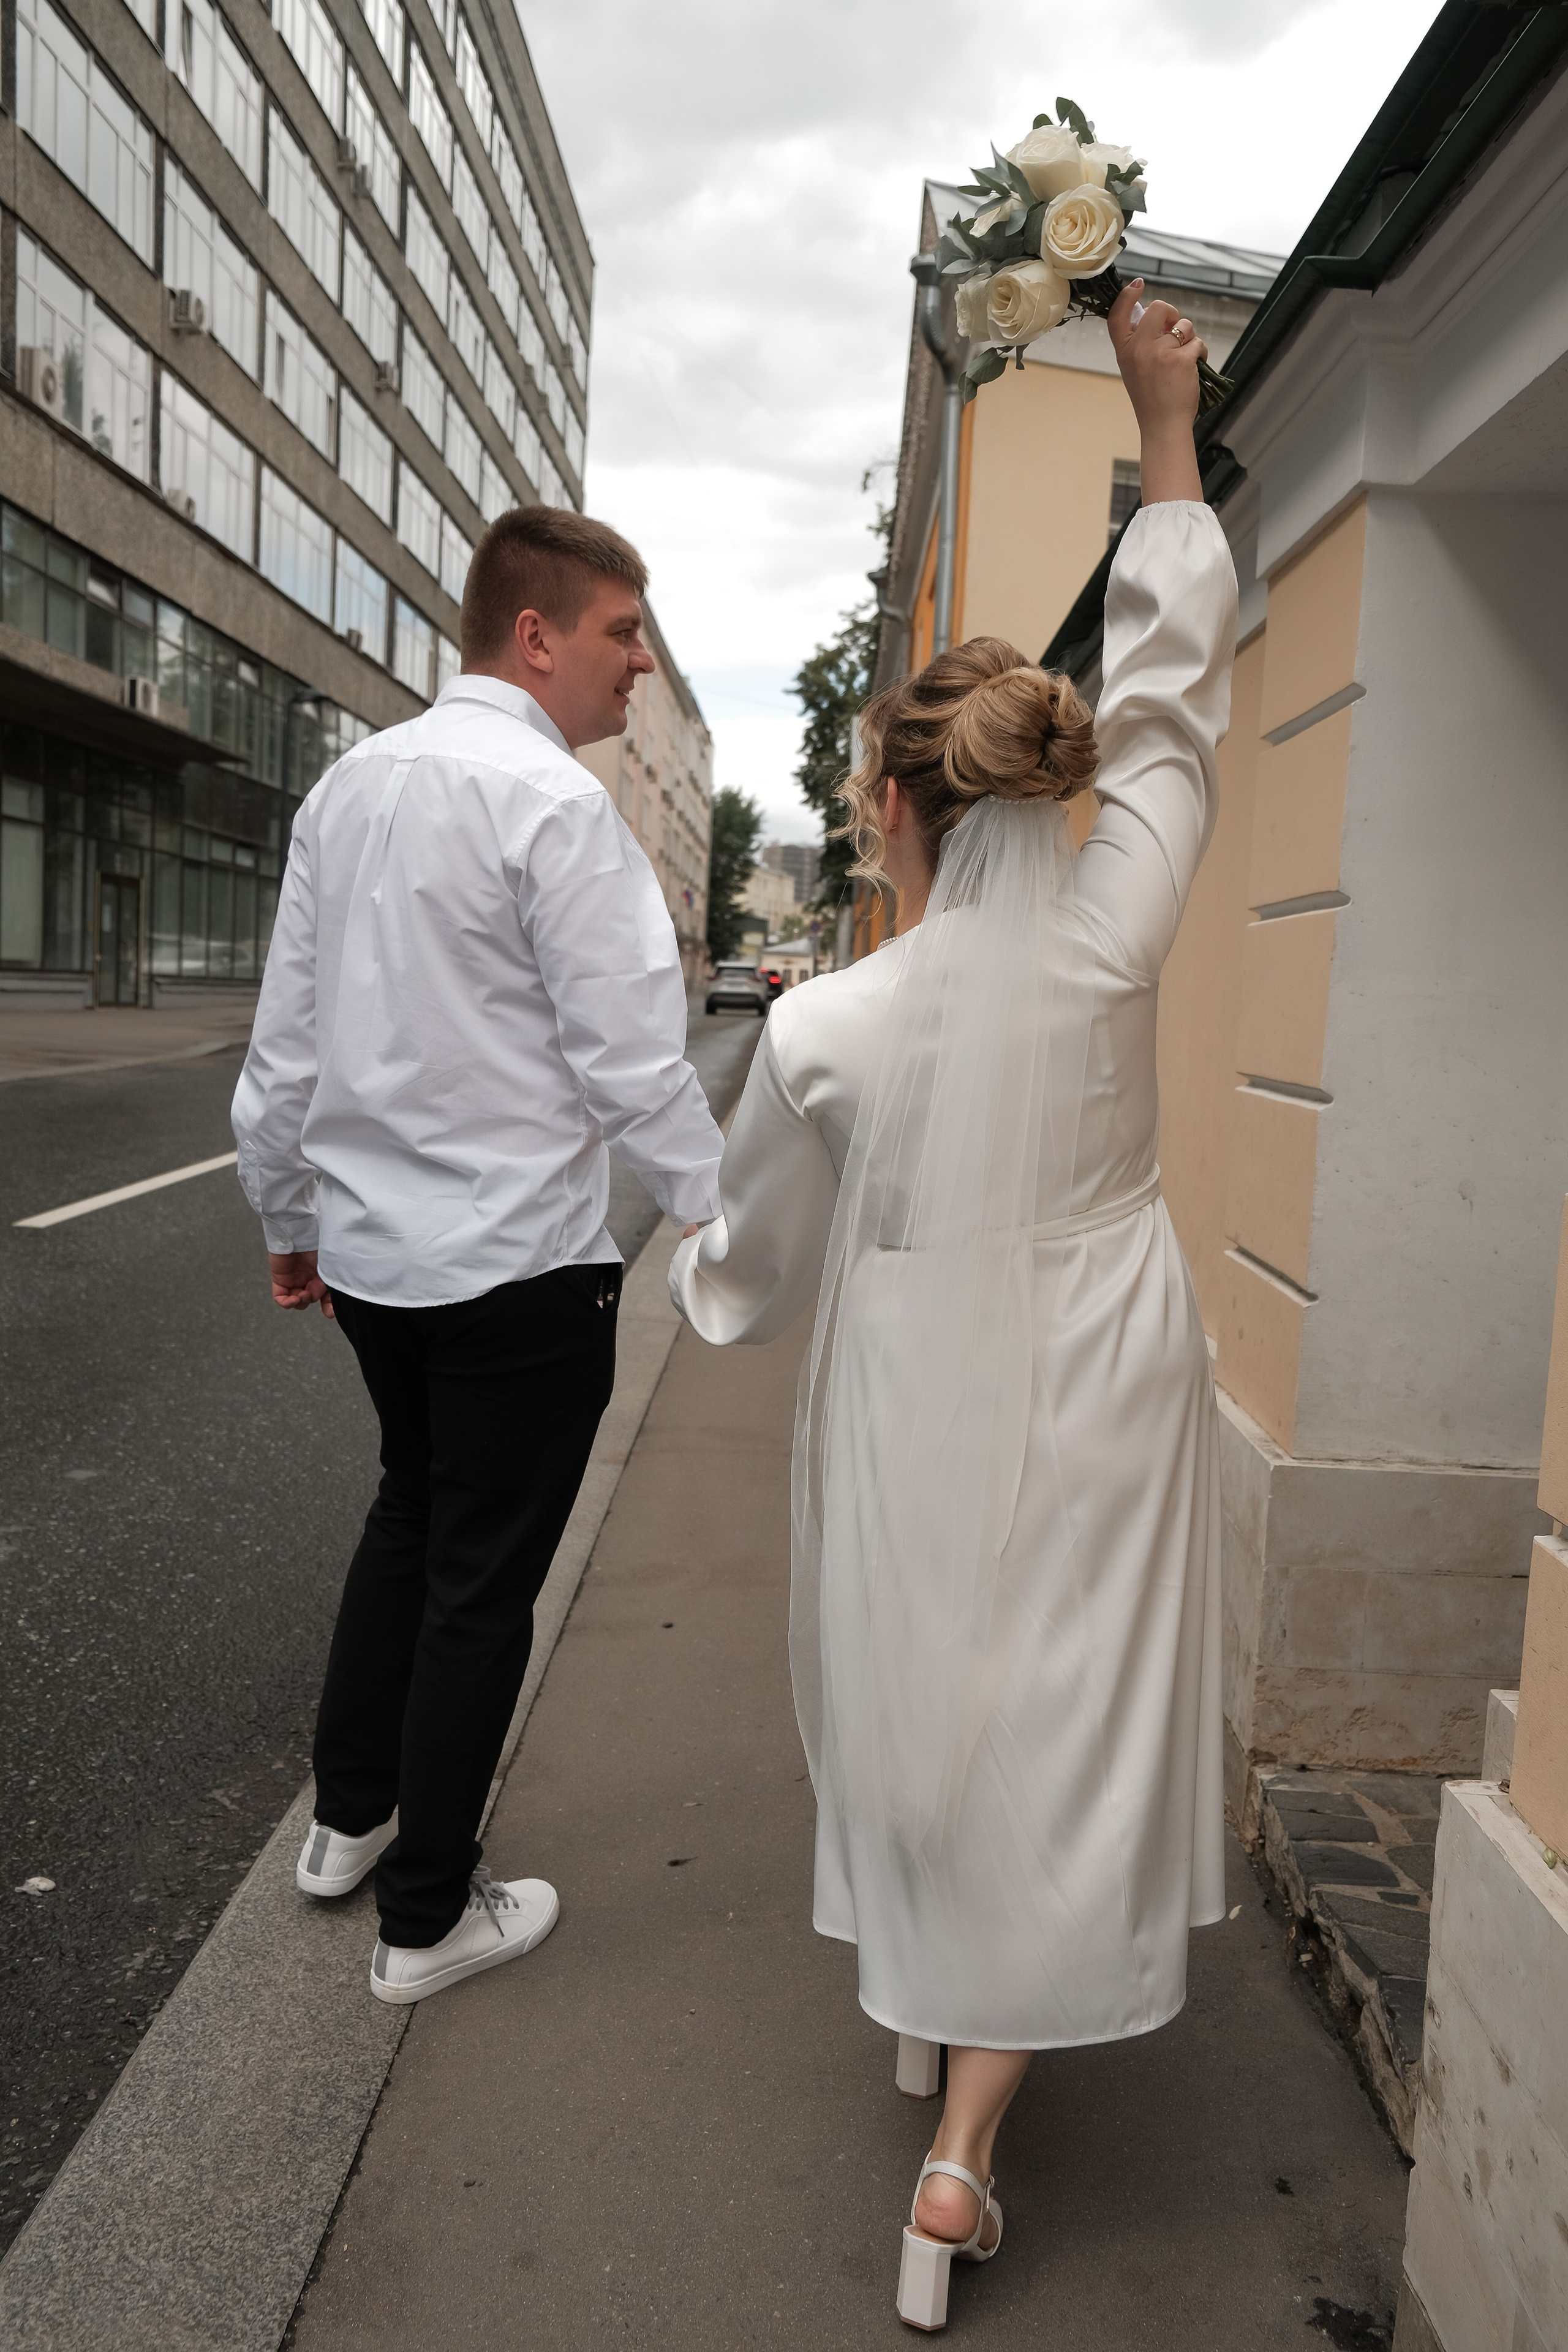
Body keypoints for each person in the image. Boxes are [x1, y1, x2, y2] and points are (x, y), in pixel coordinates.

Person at [669, 283, 1237, 2331]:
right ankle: (958, 2110)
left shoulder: (830, 1027)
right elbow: (1172, 708)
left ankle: (947, 2121)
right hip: (1107, 1365)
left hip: (914, 1385)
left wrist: (694, 1273)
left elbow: (748, 1274)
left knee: (933, 1686)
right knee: (1065, 1711)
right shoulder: (1113, 932)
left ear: (897, 815)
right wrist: (1167, 432)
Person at [232, 507, 724, 2006]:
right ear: (537, 633)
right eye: (622, 633)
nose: (637, 665)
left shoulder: (350, 789)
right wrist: (716, 1222)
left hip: (375, 1264)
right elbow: (635, 1064)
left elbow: (283, 1054)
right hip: (520, 1267)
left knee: (410, 1515)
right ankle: (427, 1921)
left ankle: (348, 1823)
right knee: (478, 1584)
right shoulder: (556, 810)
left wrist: (288, 1222)